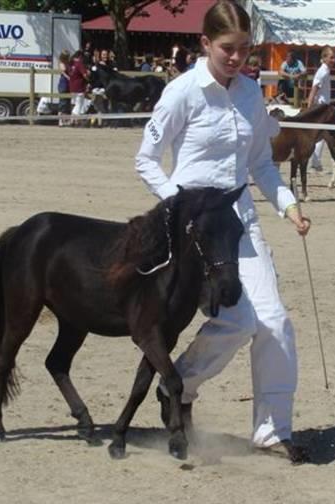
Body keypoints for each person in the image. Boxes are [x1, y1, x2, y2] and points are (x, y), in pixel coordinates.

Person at [135, 0, 311, 462]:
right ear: (205, 43)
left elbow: (259, 163)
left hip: (239, 221)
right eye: (228, 49)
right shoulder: (181, 92)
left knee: (274, 322)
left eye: (245, 50)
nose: (237, 58)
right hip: (191, 228)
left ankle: (271, 431)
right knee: (237, 322)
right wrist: (183, 205)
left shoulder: (251, 93)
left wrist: (288, 205)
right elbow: (146, 161)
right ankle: (179, 387)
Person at [306, 46, 335, 171]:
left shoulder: (326, 71)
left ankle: (315, 161)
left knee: (321, 136)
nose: (334, 60)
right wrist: (309, 107)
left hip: (324, 107)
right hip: (320, 107)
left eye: (334, 57)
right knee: (320, 135)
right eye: (331, 57)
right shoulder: (322, 72)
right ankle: (315, 161)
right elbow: (314, 89)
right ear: (324, 58)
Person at [68, 49, 89, 125]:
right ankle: (72, 118)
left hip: (72, 86)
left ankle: (75, 121)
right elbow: (85, 75)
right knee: (79, 105)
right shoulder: (79, 63)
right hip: (79, 87)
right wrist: (89, 80)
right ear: (81, 56)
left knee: (75, 103)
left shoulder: (71, 63)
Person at [57, 50, 71, 127]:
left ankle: (65, 120)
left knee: (67, 102)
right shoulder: (61, 63)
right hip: (63, 83)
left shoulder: (68, 63)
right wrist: (68, 77)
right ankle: (60, 120)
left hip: (68, 83)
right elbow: (63, 72)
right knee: (62, 102)